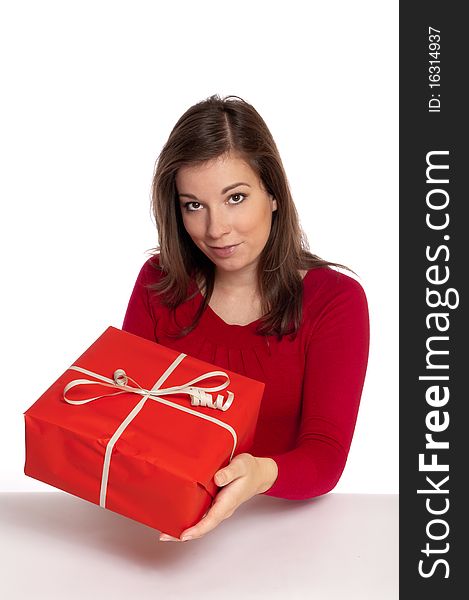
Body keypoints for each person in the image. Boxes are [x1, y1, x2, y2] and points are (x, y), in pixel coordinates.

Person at [122, 94, 370, 542]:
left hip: (286, 534)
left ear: (273, 194)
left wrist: (259, 473)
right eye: (193, 205)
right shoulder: (158, 282)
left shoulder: (335, 301)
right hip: (161, 521)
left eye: (235, 198)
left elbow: (326, 456)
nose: (216, 229)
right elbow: (127, 419)